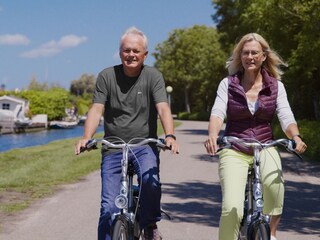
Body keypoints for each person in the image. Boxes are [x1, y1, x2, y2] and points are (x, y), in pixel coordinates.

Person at [75, 26, 179, 240]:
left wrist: (169, 135)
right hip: (113, 148)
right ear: (120, 51)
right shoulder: (106, 76)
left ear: (145, 54)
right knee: (108, 210)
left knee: (151, 184)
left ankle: (149, 225)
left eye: (136, 51)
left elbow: (162, 107)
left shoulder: (153, 76)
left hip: (144, 147)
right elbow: (96, 109)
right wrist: (86, 137)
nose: (131, 54)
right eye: (126, 50)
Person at [204, 33, 307, 240]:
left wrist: (295, 136)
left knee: (275, 189)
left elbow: (286, 116)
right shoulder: (228, 84)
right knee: (232, 208)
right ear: (240, 56)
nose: (249, 56)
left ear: (263, 56)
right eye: (245, 53)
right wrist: (213, 135)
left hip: (265, 146)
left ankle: (271, 232)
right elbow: (217, 113)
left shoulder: (276, 86)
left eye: (254, 53)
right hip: (235, 148)